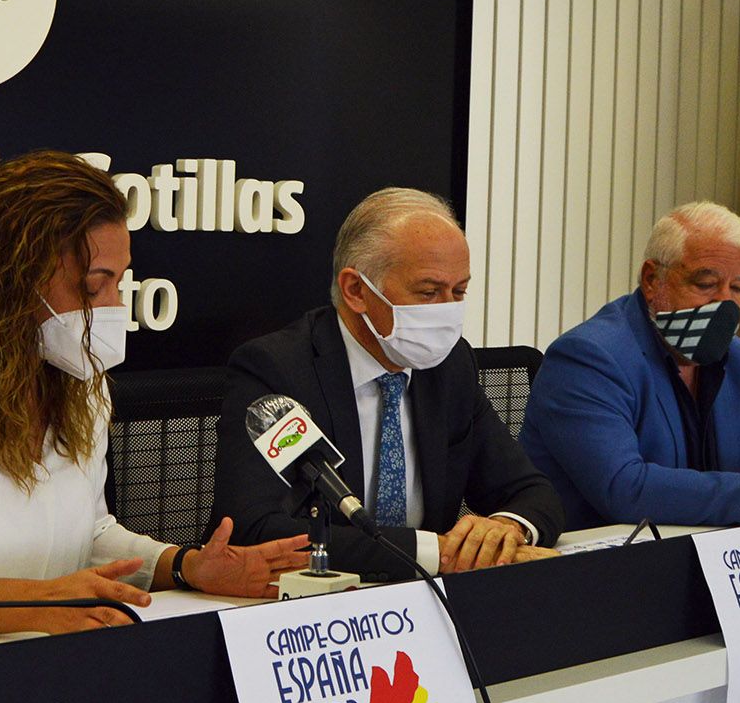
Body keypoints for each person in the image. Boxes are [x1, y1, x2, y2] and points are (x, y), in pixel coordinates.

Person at [0, 151, 309, 636]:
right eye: (96, 284)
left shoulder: (79, 378)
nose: (114, 304)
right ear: (14, 279)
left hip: (34, 658)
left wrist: (186, 567)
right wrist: (38, 602)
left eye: (120, 281)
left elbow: (88, 536)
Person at [212, 189, 562, 580]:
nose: (447, 310)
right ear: (356, 290)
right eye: (429, 292)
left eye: (458, 291)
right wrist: (437, 552)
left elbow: (533, 492)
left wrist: (505, 529)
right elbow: (253, 528)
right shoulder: (277, 369)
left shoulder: (450, 365)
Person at [521, 201, 740, 529]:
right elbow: (625, 488)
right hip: (600, 570)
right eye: (706, 284)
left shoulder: (739, 360)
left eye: (737, 288)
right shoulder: (588, 358)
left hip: (711, 559)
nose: (724, 303)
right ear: (652, 280)